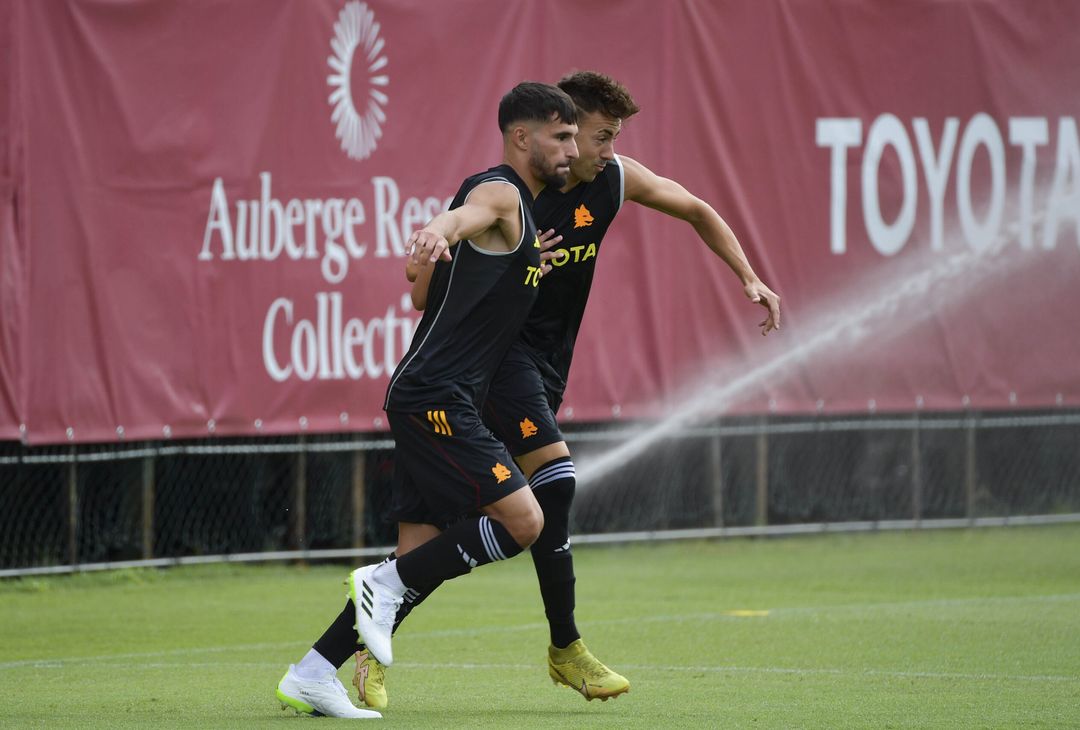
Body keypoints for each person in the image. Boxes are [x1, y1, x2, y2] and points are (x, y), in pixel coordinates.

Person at [351, 70, 782, 709]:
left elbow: (693, 206)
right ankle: (566, 647)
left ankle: (347, 656)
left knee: (420, 538)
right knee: (554, 483)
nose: (606, 148)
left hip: (542, 368)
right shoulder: (513, 194)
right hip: (494, 363)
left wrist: (748, 276)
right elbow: (433, 272)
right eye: (596, 135)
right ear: (557, 136)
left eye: (607, 137)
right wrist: (445, 245)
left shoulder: (613, 178)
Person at [274, 81, 579, 719]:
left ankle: (313, 672)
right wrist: (436, 231)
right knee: (525, 522)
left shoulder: (523, 222)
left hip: (438, 396)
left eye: (576, 137)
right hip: (436, 398)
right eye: (562, 136)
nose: (572, 149)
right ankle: (377, 584)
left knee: (421, 553)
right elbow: (460, 216)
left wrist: (511, 267)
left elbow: (423, 298)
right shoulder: (499, 191)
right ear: (522, 137)